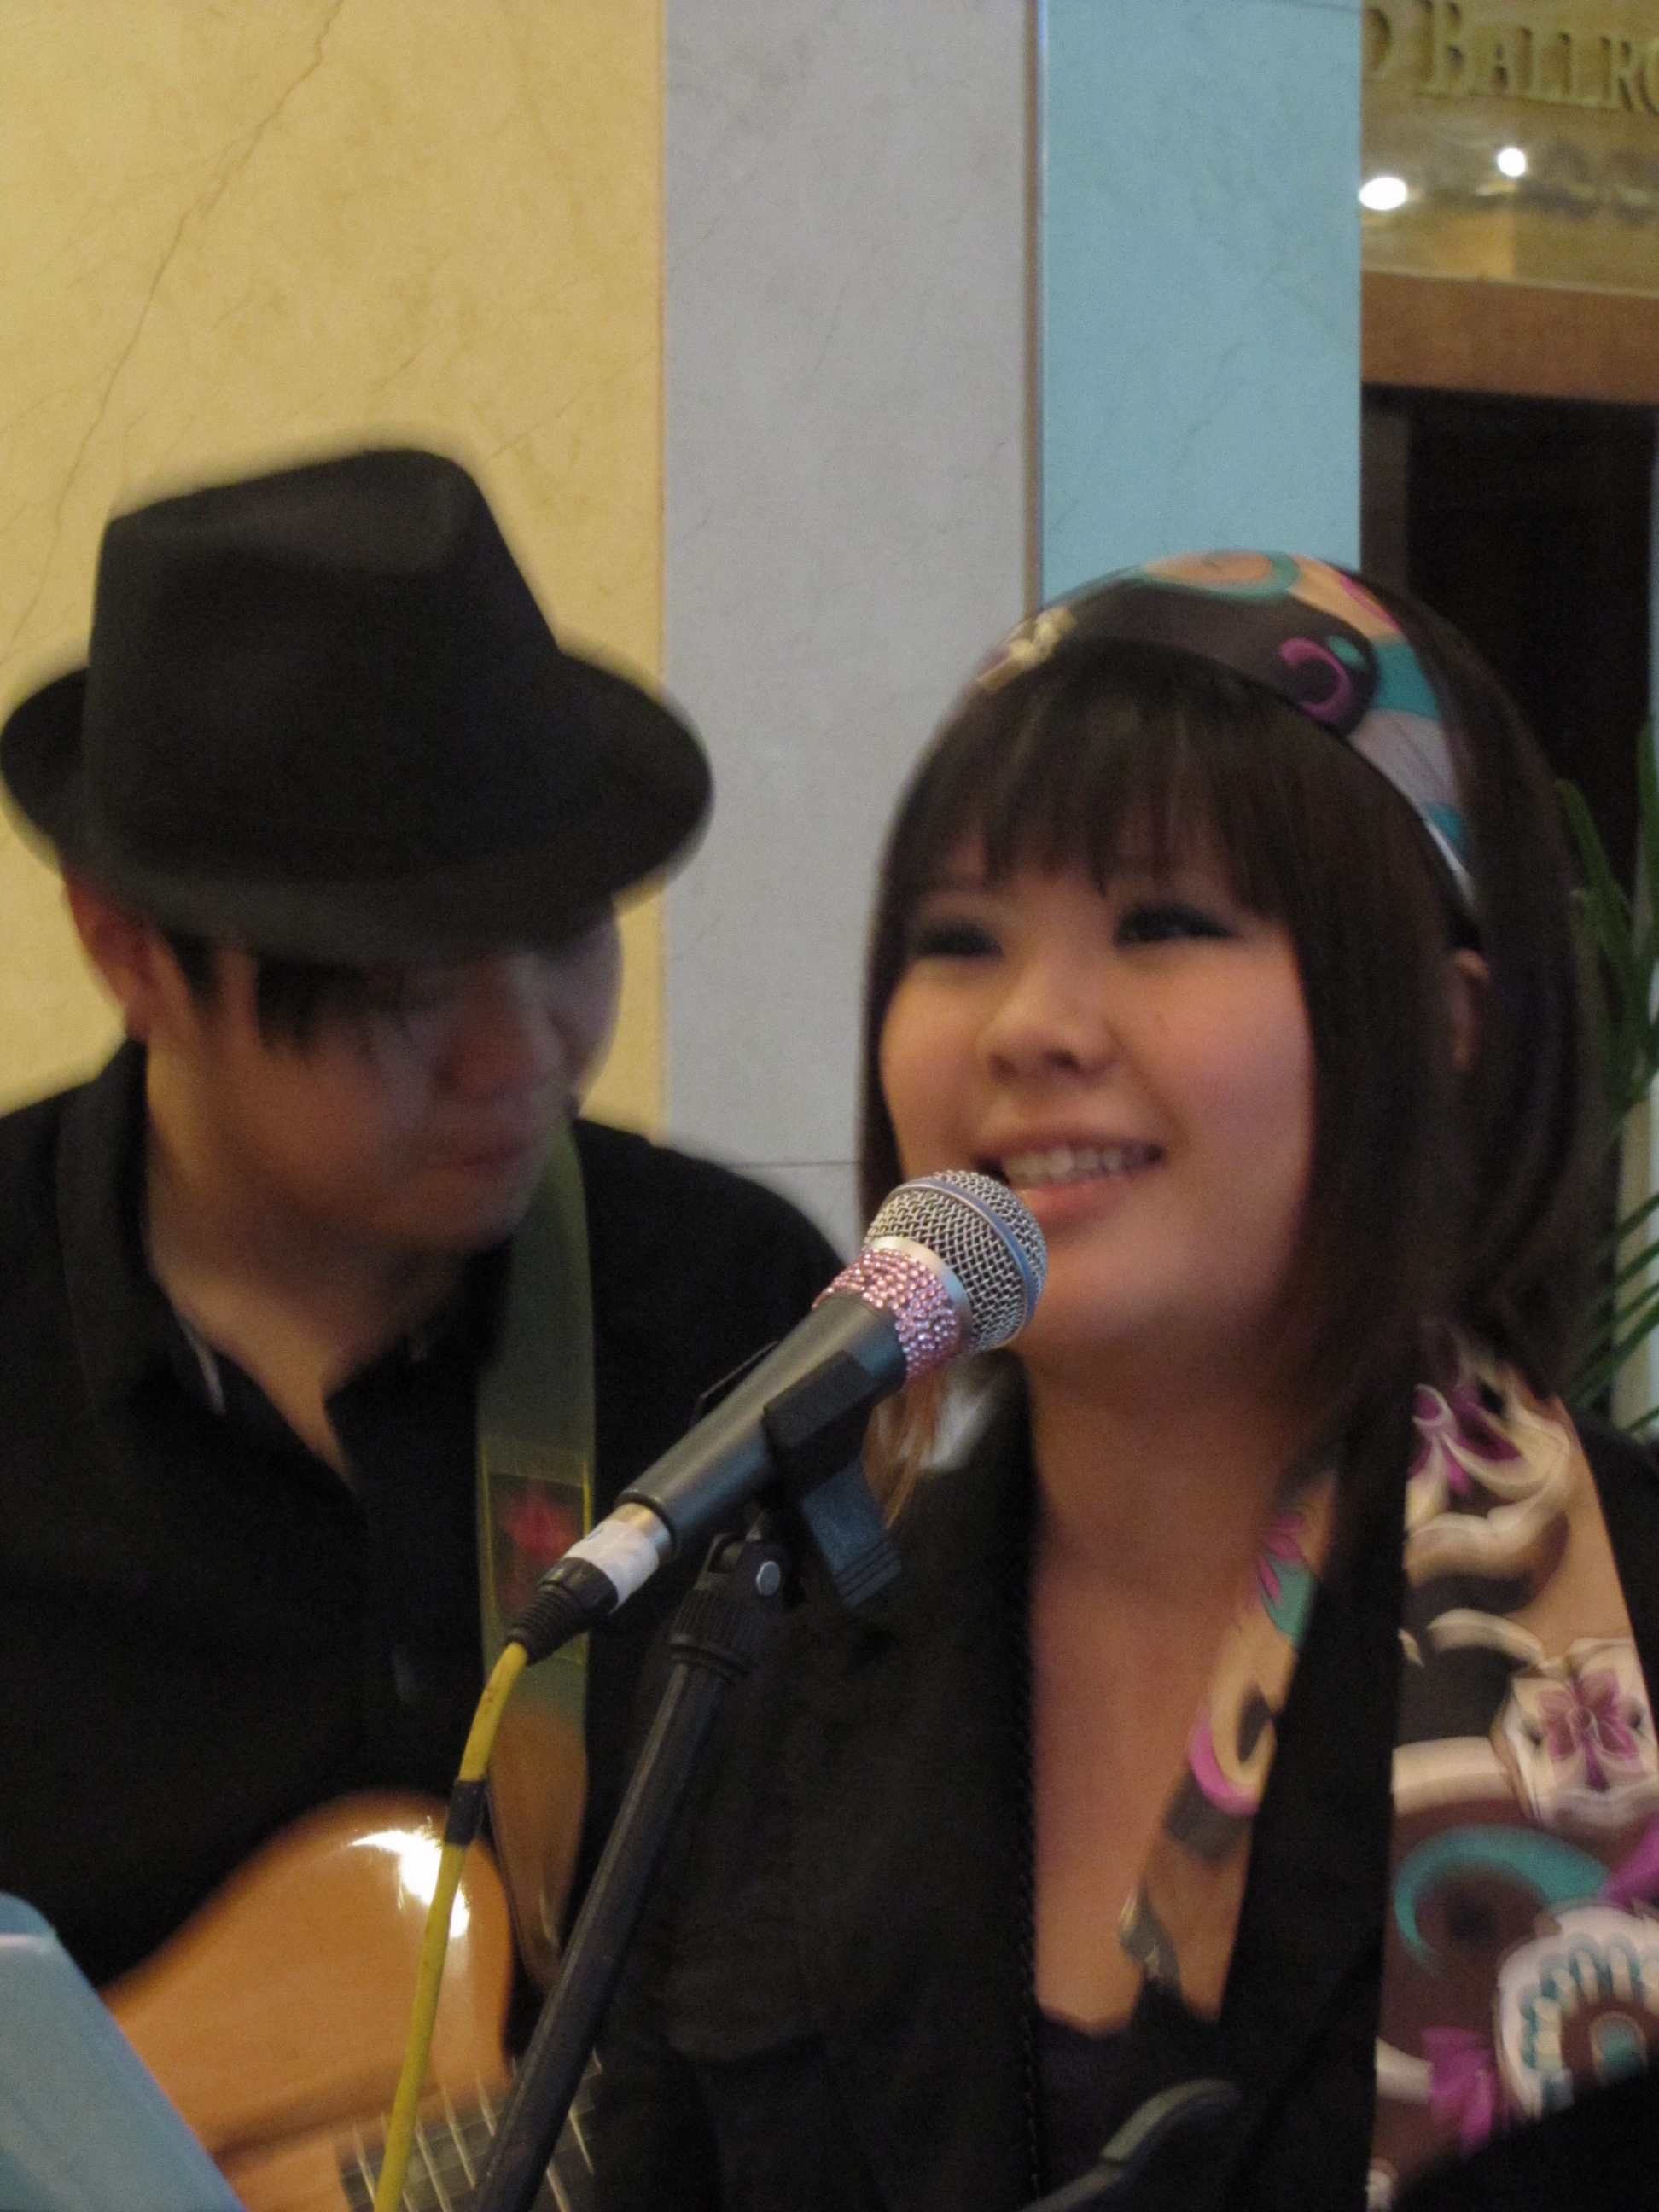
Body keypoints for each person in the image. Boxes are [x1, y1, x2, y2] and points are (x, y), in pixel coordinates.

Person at [586, 553, 1659, 2210]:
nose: (1029, 1025)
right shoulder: (769, 1663)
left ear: (1447, 1026)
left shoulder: (1629, 1628)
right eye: (957, 941)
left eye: (1161, 924)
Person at [0, 445, 839, 2001]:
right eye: (405, 994)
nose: (522, 1057)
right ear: (127, 952)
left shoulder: (738, 1317)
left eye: (569, 941)